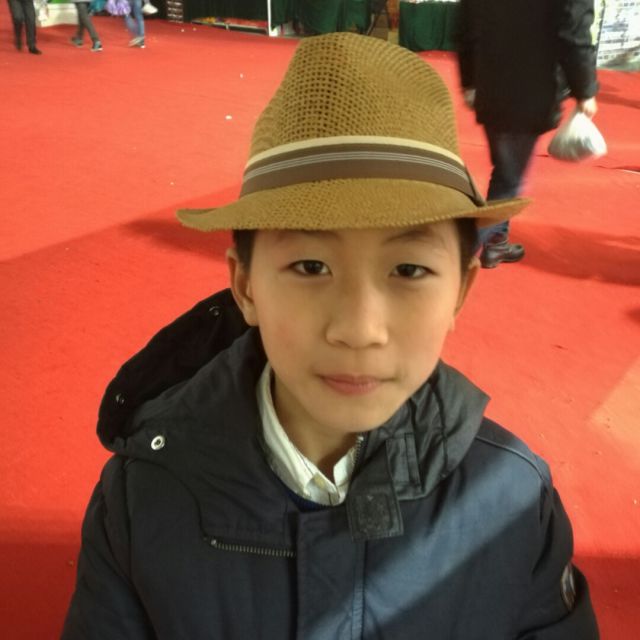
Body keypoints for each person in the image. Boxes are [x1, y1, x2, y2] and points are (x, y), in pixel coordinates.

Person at [61, 33, 599, 638]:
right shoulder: (141, 499)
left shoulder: (514, 502)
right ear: (245, 286)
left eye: (408, 270)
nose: (359, 330)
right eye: (311, 266)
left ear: (461, 289)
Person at [456, 0, 599, 268]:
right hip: (532, 87)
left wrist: (469, 81)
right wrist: (585, 89)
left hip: (490, 80)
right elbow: (574, 31)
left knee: (505, 171)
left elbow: (465, 24)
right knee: (509, 180)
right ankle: (458, 255)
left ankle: (496, 243)